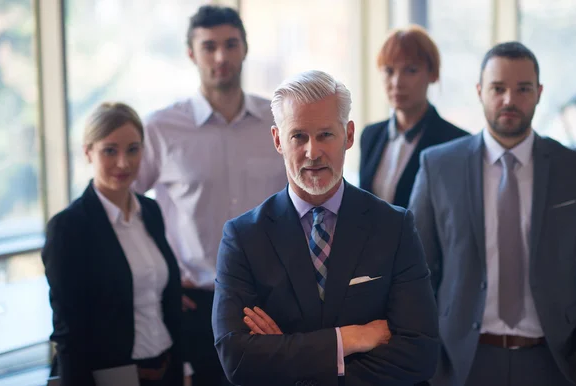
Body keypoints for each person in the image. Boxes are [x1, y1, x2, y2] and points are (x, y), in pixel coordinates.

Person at [212, 70, 439, 386]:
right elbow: (237, 360)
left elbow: (420, 353)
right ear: (278, 140)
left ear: (348, 135)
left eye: (325, 135)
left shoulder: (394, 226)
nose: (312, 152)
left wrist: (290, 362)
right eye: (298, 136)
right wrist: (349, 339)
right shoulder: (243, 238)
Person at [409, 42, 576, 386]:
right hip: (462, 363)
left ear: (539, 93)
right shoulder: (438, 167)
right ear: (480, 91)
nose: (509, 100)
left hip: (557, 361)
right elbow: (412, 271)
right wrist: (430, 353)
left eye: (523, 89)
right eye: (498, 88)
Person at [134, 5, 286, 385]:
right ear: (191, 54)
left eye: (231, 44)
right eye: (209, 46)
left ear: (245, 49)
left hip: (271, 300)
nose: (221, 57)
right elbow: (127, 207)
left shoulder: (279, 120)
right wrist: (163, 279)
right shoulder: (161, 128)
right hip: (194, 304)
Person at [42, 103, 183, 386]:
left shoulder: (151, 211)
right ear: (87, 152)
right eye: (110, 150)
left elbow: (163, 300)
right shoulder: (69, 228)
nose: (124, 163)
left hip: (167, 369)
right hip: (111, 377)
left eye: (133, 149)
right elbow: (69, 335)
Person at [359, 25, 468, 207]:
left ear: (432, 74)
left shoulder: (456, 143)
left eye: (411, 70)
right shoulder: (370, 135)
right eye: (389, 71)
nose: (397, 82)